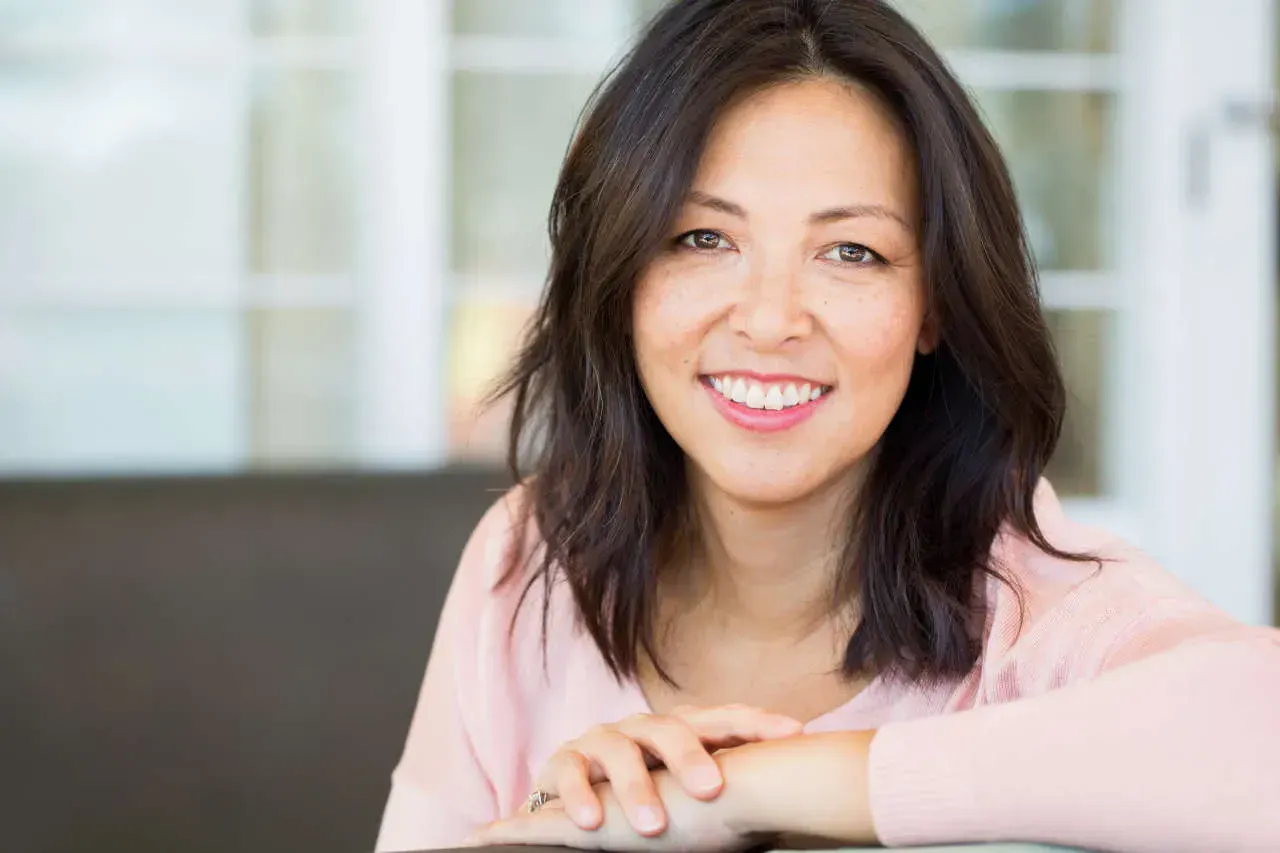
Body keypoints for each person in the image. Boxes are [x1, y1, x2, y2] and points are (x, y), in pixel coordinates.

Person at [376, 1, 1280, 849]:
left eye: (852, 251)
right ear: (623, 277)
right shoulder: (531, 554)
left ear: (934, 305)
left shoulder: (1040, 611)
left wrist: (749, 790)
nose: (770, 320)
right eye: (703, 238)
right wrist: (554, 821)